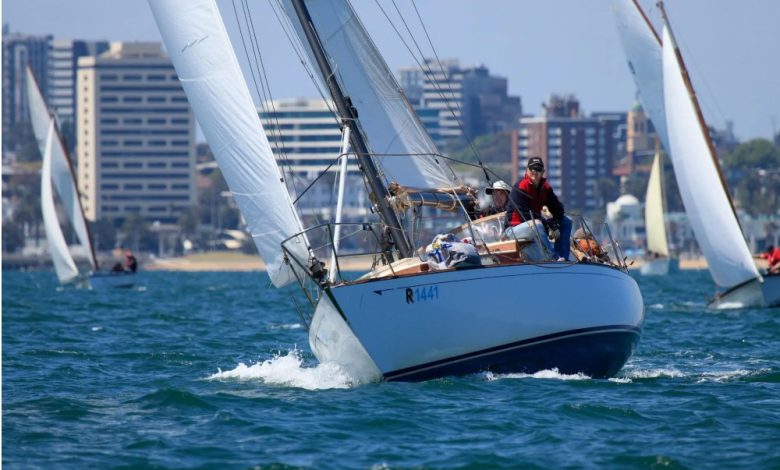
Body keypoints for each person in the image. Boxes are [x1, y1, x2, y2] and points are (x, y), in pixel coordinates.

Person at [505, 157, 572, 260]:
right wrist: (549, 225)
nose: (535, 172)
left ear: (543, 172)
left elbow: (558, 209)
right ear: (527, 170)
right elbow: (525, 215)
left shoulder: (546, 188)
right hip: (513, 229)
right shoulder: (520, 187)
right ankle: (552, 258)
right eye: (532, 169)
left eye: (538, 169)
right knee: (537, 224)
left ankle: (562, 257)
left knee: (567, 221)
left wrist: (555, 224)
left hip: (535, 225)